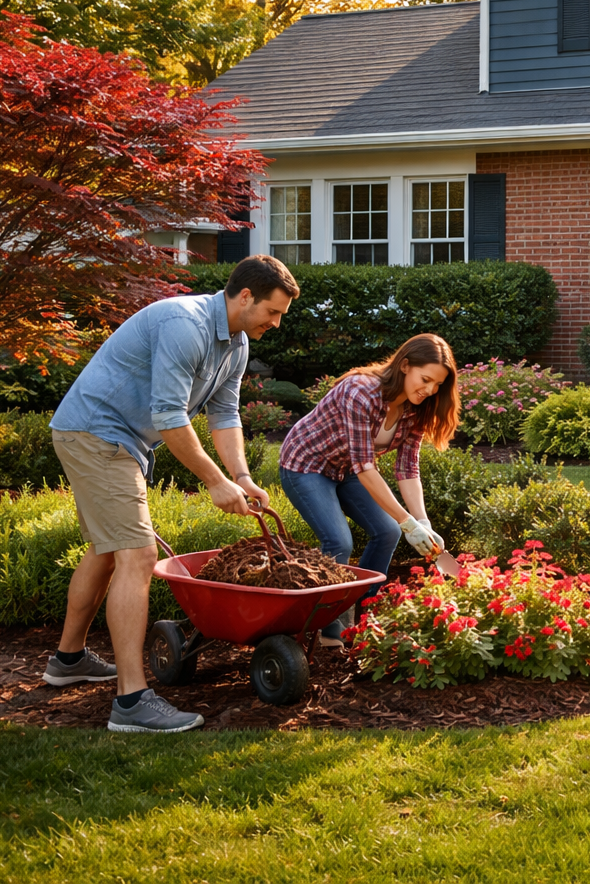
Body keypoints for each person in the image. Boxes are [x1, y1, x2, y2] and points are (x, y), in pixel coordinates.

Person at [44, 254, 298, 732]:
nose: (276, 322)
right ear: (246, 296)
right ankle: (132, 702)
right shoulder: (186, 325)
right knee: (137, 557)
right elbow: (170, 416)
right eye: (273, 311)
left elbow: (225, 415)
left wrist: (240, 476)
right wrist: (213, 481)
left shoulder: (236, 344)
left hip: (116, 438)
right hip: (97, 433)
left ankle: (68, 660)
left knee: (107, 551)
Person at [277, 333, 459, 646]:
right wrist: (407, 522)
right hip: (306, 464)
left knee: (387, 531)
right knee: (338, 540)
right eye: (425, 379)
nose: (429, 390)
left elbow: (407, 468)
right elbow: (366, 468)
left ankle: (366, 617)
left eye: (437, 385)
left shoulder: (417, 408)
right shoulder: (360, 392)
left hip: (347, 469)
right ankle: (325, 625)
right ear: (404, 366)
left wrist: (422, 521)